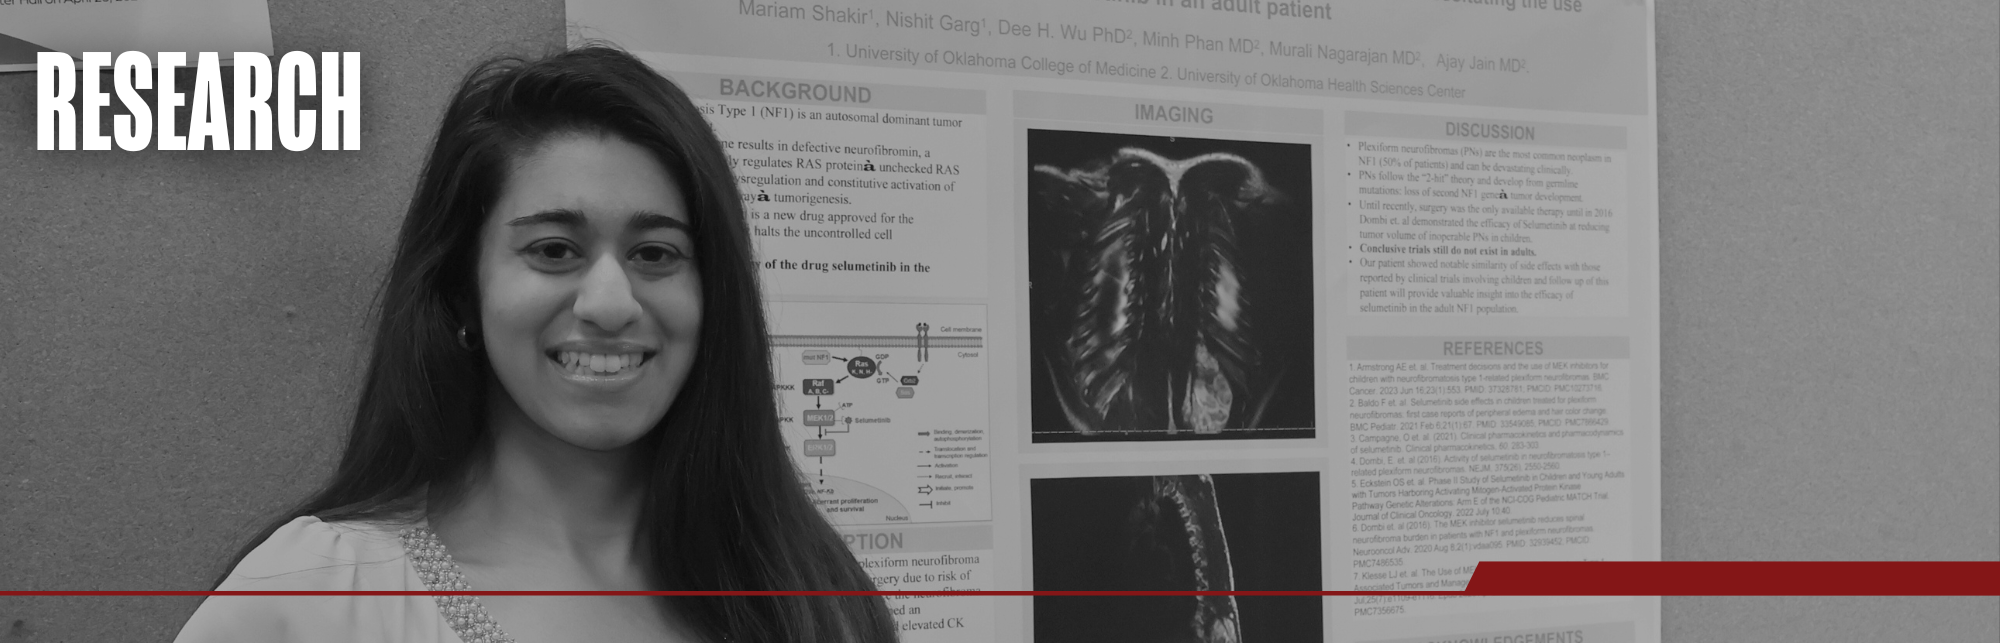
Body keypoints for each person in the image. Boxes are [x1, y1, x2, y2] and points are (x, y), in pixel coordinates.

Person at [173, 46, 897, 643]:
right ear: (463, 291)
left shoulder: (806, 596)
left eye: (655, 253)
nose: (611, 304)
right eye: (554, 249)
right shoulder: (317, 597)